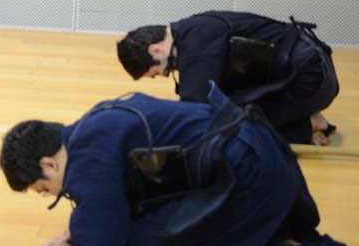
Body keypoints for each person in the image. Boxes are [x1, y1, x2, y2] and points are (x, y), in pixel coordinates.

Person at [0, 85, 345, 246]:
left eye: (46, 189)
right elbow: (107, 202)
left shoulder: (88, 155)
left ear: (48, 164)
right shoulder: (94, 123)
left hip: (255, 179)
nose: (58, 193)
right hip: (269, 157)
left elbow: (106, 237)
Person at [116, 11, 338, 145]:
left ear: (156, 50)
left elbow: (195, 111)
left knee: (223, 124)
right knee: (221, 105)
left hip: (309, 80)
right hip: (311, 72)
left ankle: (306, 124)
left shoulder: (197, 44)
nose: (165, 75)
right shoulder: (192, 32)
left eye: (157, 73)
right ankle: (300, 114)